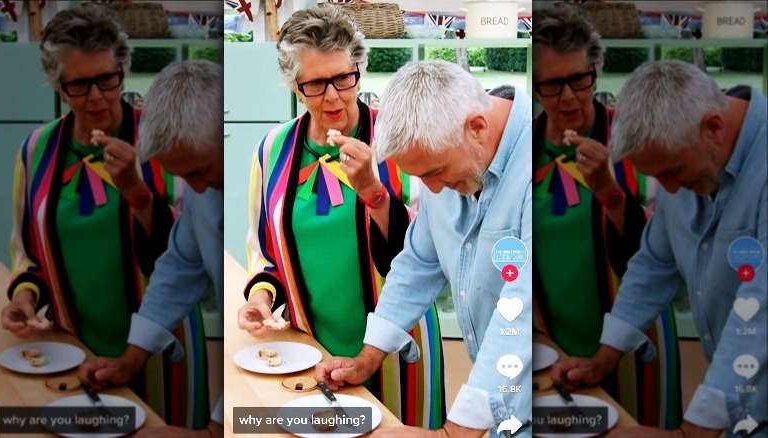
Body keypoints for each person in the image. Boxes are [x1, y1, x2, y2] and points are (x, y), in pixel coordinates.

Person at [236, 4, 446, 429]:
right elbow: (266, 249)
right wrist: (260, 296)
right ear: (295, 87)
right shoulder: (271, 151)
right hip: (308, 346)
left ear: (359, 70)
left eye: (342, 78)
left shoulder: (401, 139)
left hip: (396, 344)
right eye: (315, 83)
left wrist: (373, 190)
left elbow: (427, 251)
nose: (332, 96)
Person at [0, 4, 208, 429]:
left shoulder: (165, 140)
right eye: (79, 84)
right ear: (58, 86)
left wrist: (137, 191)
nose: (96, 96)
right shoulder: (34, 152)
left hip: (161, 345)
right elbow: (28, 250)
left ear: (123, 71)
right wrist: (23, 296)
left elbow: (190, 252)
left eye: (106, 79)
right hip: (69, 344)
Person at [317, 60, 532, 438]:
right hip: (503, 400)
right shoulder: (453, 155)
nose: (432, 191)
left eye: (435, 172)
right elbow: (416, 264)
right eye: (420, 177)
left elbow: (522, 309)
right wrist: (367, 358)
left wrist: (452, 434)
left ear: (477, 129)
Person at [553, 60, 767, 438]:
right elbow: (653, 265)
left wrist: (690, 433)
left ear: (713, 128)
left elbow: (760, 308)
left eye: (671, 173)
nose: (669, 191)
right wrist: (604, 358)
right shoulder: (687, 153)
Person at [531, 3, 682, 428]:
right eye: (552, 84)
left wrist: (610, 193)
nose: (568, 96)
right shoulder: (522, 154)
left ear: (595, 69)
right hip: (549, 342)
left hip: (636, 338)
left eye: (579, 79)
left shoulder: (636, 143)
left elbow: (661, 255)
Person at [79, 61, 224, 438]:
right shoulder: (201, 189)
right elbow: (179, 267)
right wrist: (131, 358)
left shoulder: (263, 176)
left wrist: (214, 432)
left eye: (199, 171)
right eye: (182, 176)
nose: (194, 189)